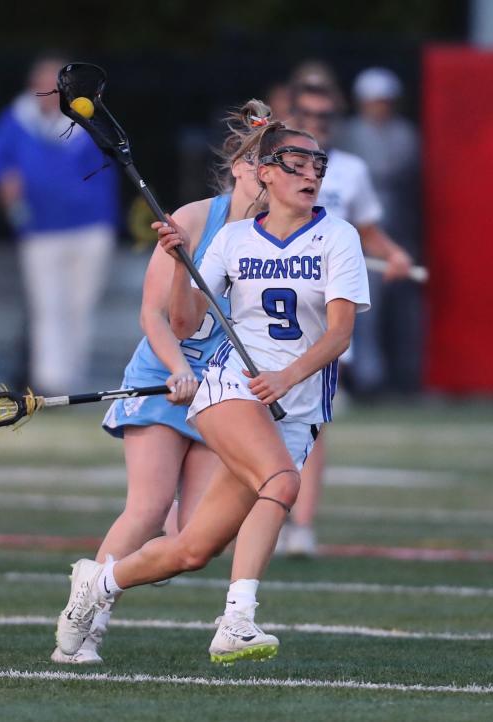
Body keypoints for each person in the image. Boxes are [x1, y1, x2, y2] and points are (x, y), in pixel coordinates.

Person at [54, 120, 369, 664]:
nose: (310, 173)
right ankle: (237, 621)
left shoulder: (338, 237)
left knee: (193, 548)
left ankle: (99, 583)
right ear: (264, 173)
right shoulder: (231, 238)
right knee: (281, 481)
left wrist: (288, 378)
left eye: (318, 164)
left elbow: (340, 333)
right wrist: (181, 267)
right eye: (295, 162)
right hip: (232, 389)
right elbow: (183, 321)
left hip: (295, 405)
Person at [49, 100, 272, 664]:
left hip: (220, 390)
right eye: (266, 163)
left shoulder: (278, 237)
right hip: (165, 374)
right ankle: (88, 621)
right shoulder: (197, 218)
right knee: (148, 508)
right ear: (242, 167)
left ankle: (99, 578)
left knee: (194, 541)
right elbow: (158, 318)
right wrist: (178, 367)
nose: (277, 177)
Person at [278, 77, 414, 557]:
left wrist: (394, 255)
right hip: (267, 310)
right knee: (255, 421)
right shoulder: (269, 167)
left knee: (311, 423)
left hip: (323, 310)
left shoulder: (350, 170)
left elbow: (369, 230)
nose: (316, 126)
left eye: (325, 118)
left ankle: (303, 526)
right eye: (307, 116)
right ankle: (264, 517)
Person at [0, 54, 118, 396]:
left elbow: (112, 158)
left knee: (80, 305)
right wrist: (5, 179)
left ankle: (74, 375)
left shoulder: (88, 116)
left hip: (89, 226)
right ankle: (51, 382)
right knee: (47, 306)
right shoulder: (16, 120)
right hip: (39, 229)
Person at [339, 67, 423, 393]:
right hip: (364, 231)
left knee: (403, 309)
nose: (380, 107)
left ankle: (402, 375)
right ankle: (367, 378)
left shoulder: (405, 135)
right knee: (365, 309)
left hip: (398, 228)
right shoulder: (350, 134)